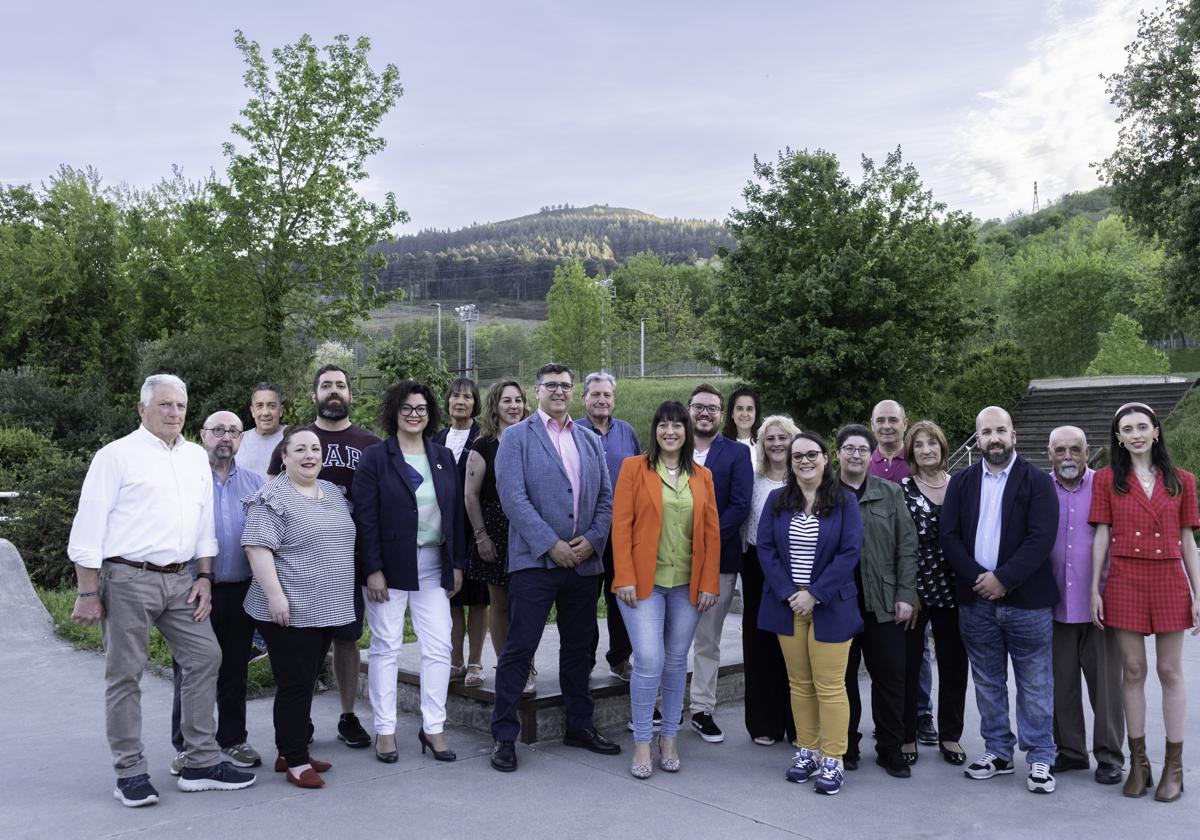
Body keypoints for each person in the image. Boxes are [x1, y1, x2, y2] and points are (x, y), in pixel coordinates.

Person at [68, 374, 256, 807]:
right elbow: (88, 526)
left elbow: (203, 523)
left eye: (180, 407)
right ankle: (130, 773)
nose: (174, 413)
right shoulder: (115, 456)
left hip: (180, 580)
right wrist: (87, 592)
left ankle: (200, 762)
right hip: (127, 578)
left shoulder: (194, 457)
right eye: (165, 405)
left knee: (206, 656)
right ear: (142, 409)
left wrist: (205, 577)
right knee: (125, 675)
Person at [489, 363, 618, 772]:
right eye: (551, 386)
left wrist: (594, 539)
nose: (559, 391)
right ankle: (504, 736)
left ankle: (579, 725)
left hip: (583, 564)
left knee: (580, 648)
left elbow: (606, 498)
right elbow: (513, 498)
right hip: (535, 563)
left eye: (565, 385)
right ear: (537, 390)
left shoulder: (588, 438)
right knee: (520, 648)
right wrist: (551, 544)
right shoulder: (516, 438)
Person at [941, 406, 1060, 794]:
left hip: (1028, 603)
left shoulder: (1037, 481)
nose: (994, 438)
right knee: (988, 681)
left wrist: (1004, 580)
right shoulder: (961, 483)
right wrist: (981, 579)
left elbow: (1041, 538)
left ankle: (1041, 756)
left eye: (1001, 431)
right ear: (977, 439)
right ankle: (998, 752)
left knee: (1035, 682)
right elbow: (950, 537)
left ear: (1013, 436)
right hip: (976, 602)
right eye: (986, 432)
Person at [1089, 403, 1200, 802]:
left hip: (1169, 578)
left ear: (1155, 431)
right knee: (1133, 671)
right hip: (1124, 579)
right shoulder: (1106, 480)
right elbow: (1101, 535)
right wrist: (1093, 590)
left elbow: (1188, 540)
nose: (1135, 434)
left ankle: (1174, 767)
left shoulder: (1182, 480)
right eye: (1126, 428)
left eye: (1142, 426)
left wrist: (1199, 592)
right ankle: (1139, 764)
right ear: (1117, 437)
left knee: (1170, 672)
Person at [267, 365, 381, 750]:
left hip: (350, 564)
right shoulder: (296, 441)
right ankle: (302, 719)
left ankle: (348, 716)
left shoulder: (370, 444)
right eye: (326, 385)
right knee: (304, 648)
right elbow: (272, 498)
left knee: (347, 640)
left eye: (341, 385)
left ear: (350, 393)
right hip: (298, 566)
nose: (334, 391)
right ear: (314, 393)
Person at [354, 380, 465, 764]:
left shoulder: (442, 457)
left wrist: (457, 564)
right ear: (394, 412)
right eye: (406, 408)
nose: (414, 414)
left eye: (420, 408)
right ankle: (385, 730)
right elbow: (365, 518)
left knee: (439, 648)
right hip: (389, 567)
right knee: (386, 647)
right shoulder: (375, 458)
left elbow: (455, 515)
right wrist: (373, 569)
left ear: (430, 413)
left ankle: (433, 726)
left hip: (435, 564)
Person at [243, 427, 357, 789]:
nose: (309, 455)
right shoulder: (273, 495)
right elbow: (257, 548)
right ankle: (294, 760)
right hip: (290, 608)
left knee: (305, 682)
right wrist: (276, 595)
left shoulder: (331, 493)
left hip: (325, 606)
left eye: (315, 449)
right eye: (300, 450)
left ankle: (288, 751)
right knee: (294, 685)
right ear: (284, 456)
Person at [612, 401, 720, 778]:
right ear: (654, 430)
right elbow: (620, 525)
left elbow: (711, 532)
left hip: (687, 586)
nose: (670, 431)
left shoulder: (702, 476)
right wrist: (623, 575)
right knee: (649, 660)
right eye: (663, 425)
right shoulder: (633, 469)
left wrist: (709, 582)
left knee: (676, 662)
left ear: (687, 432)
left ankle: (669, 738)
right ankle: (643, 741)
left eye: (678, 425)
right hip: (642, 583)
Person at [757, 431, 864, 796]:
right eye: (797, 455)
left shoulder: (845, 501)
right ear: (789, 461)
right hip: (788, 607)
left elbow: (849, 553)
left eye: (811, 455)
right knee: (799, 684)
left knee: (830, 685)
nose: (804, 461)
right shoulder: (776, 500)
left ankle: (833, 757)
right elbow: (766, 551)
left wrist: (815, 594)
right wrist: (791, 593)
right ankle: (807, 750)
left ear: (825, 458)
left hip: (831, 606)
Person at [168, 411, 265, 776]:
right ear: (202, 435)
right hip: (193, 589)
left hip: (241, 591)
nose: (226, 437)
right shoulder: (186, 482)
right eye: (218, 430)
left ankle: (232, 739)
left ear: (242, 438)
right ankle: (186, 745)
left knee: (235, 670)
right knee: (191, 670)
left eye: (234, 431)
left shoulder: (257, 484)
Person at [835, 424, 918, 777]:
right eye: (848, 448)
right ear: (836, 452)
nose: (855, 455)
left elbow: (908, 546)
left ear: (872, 455)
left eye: (862, 450)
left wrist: (905, 595)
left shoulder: (890, 492)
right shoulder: (824, 493)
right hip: (838, 602)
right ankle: (847, 746)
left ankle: (890, 748)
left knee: (890, 677)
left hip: (883, 601)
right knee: (842, 678)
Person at [1045, 425, 1124, 785]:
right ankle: (1071, 752)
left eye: (1074, 450)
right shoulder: (1039, 488)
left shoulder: (1105, 485)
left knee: (1106, 687)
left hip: (1100, 606)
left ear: (1087, 451)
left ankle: (1109, 756)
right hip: (1053, 606)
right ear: (1050, 454)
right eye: (1060, 450)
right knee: (1061, 685)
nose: (1067, 457)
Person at [898, 420, 970, 767]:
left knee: (955, 666)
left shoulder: (963, 486)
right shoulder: (902, 489)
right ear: (911, 452)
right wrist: (906, 590)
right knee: (909, 665)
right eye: (919, 445)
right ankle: (907, 734)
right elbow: (899, 544)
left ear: (943, 447)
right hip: (916, 590)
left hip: (957, 590)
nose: (927, 450)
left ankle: (950, 736)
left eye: (933, 443)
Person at [687, 383, 753, 744]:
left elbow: (740, 506)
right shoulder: (672, 445)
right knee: (670, 640)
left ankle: (701, 708)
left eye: (713, 408)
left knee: (708, 640)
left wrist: (703, 540)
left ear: (721, 415)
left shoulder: (736, 455)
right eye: (699, 407)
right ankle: (662, 705)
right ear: (689, 409)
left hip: (719, 560)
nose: (706, 413)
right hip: (671, 561)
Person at [871, 398, 935, 747]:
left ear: (904, 423)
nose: (887, 426)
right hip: (875, 572)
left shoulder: (916, 467)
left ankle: (921, 714)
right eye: (880, 420)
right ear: (872, 425)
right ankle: (888, 719)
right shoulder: (865, 463)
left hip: (913, 572)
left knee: (918, 649)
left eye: (893, 420)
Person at [463, 380, 530, 686]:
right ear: (495, 406)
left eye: (518, 400)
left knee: (527, 604)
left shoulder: (534, 439)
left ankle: (525, 663)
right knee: (500, 604)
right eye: (507, 401)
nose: (514, 406)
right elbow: (470, 495)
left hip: (528, 530)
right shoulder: (483, 445)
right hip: (495, 530)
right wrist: (481, 536)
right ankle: (509, 666)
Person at [577, 371, 641, 682]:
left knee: (621, 600)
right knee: (585, 602)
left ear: (614, 399)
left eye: (607, 395)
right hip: (586, 535)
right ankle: (583, 661)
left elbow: (642, 477)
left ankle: (620, 659)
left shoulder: (627, 432)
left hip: (622, 534)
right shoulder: (572, 431)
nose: (602, 400)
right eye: (596, 394)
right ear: (584, 398)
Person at [741, 414, 800, 746]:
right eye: (770, 438)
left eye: (783, 437)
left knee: (794, 646)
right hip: (756, 568)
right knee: (759, 642)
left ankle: (798, 724)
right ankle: (765, 722)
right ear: (762, 445)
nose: (777, 443)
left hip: (797, 571)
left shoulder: (806, 478)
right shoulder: (754, 480)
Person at [433, 377, 488, 688]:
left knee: (478, 599)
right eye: (455, 396)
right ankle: (455, 660)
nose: (460, 401)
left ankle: (476, 662)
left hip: (474, 525)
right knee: (452, 596)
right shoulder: (437, 438)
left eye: (467, 397)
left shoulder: (483, 436)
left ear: (475, 403)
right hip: (444, 527)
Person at [237, 382, 286, 478]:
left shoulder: (295, 438)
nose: (265, 412)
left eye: (272, 406)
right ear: (252, 411)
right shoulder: (239, 440)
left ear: (280, 411)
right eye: (259, 406)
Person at [724, 386, 762, 472]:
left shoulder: (765, 444)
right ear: (732, 414)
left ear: (756, 414)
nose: (745, 414)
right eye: (739, 408)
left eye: (749, 409)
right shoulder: (722, 446)